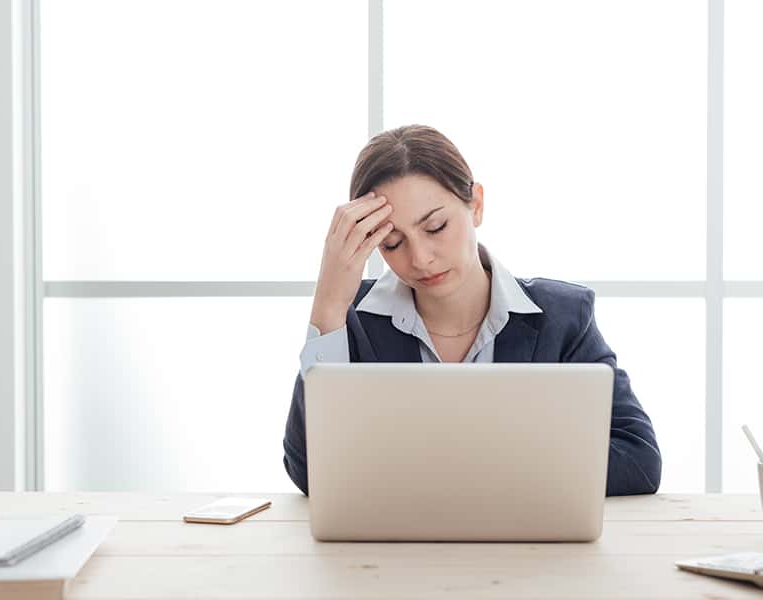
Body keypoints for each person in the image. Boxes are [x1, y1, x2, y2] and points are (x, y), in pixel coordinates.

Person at [283, 124, 661, 496]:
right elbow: (310, 472)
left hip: (527, 551)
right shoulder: (353, 324)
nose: (421, 259)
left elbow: (638, 460)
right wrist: (328, 307)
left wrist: (476, 471)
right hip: (397, 553)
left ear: (475, 205)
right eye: (393, 243)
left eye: (436, 227)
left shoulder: (562, 317)